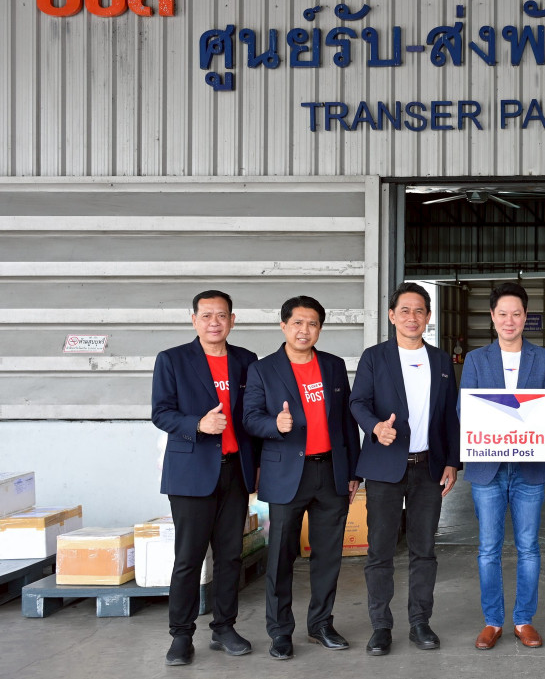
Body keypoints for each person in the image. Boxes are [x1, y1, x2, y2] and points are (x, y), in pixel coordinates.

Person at [242, 296, 360, 661]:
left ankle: (321, 624)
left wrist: (354, 471)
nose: (304, 330)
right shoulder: (263, 369)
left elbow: (346, 422)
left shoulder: (334, 366)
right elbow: (250, 418)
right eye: (297, 323)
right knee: (281, 556)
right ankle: (280, 631)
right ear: (283, 326)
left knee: (328, 556)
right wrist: (274, 424)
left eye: (312, 324)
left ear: (320, 329)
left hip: (331, 472)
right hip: (286, 473)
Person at [350, 282, 460, 656]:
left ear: (428, 317)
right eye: (405, 310)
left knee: (424, 549)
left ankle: (420, 622)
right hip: (384, 466)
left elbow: (450, 415)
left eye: (419, 311)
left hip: (429, 467)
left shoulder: (441, 361)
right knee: (380, 550)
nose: (412, 317)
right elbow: (358, 402)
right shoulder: (375, 357)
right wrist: (374, 427)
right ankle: (381, 626)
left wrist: (452, 460)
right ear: (392, 316)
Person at [151, 290, 259, 666]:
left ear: (233, 320)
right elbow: (161, 412)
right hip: (191, 473)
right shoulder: (172, 360)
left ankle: (224, 627)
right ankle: (181, 636)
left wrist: (257, 467)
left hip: (235, 471)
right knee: (189, 558)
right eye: (207, 315)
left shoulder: (246, 360)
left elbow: (251, 416)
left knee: (230, 556)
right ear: (194, 319)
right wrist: (198, 423)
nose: (215, 322)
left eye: (222, 315)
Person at [460, 282, 545, 650]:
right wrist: (506, 418)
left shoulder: (544, 360)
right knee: (488, 548)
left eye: (516, 314)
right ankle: (492, 621)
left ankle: (523, 620)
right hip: (488, 467)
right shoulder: (476, 360)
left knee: (528, 547)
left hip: (529, 468)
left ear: (525, 317)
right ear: (492, 317)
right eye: (502, 313)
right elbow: (464, 409)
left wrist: (510, 418)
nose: (509, 320)